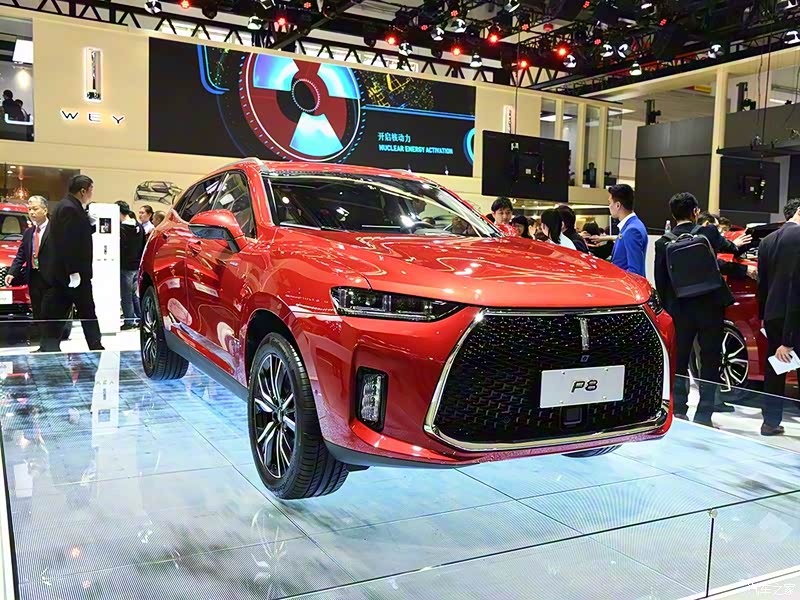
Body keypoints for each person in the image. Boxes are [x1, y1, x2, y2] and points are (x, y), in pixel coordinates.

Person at [654, 192, 754, 427]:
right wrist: (736, 245)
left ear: (673, 214)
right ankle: (704, 414)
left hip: (680, 310)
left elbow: (662, 281)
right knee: (710, 360)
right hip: (710, 308)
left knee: (679, 360)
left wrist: (670, 310)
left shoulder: (663, 243)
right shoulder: (708, 233)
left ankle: (679, 409)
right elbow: (729, 251)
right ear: (696, 212)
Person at [40, 175, 104, 352]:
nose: (91, 193)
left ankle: (50, 345)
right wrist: (73, 271)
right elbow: (69, 243)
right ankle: (95, 345)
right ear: (83, 190)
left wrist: (90, 225)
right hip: (73, 273)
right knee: (86, 310)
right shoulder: (70, 208)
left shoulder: (68, 206)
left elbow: (77, 234)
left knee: (61, 310)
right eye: (91, 189)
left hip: (66, 272)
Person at [756, 198, 800, 436]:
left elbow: (762, 284)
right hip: (796, 314)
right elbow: (796, 287)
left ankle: (770, 422)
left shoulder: (767, 241)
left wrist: (763, 316)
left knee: (775, 369)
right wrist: (789, 337)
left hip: (773, 314)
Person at [5, 196, 50, 342]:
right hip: (33, 277)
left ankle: (51, 343)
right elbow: (21, 255)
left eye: (35, 209)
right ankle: (41, 343)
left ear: (45, 210)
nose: (32, 212)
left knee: (49, 311)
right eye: (30, 209)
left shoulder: (55, 230)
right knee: (37, 310)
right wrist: (12, 272)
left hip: (51, 278)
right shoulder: (28, 233)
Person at [607, 184, 647, 277]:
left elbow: (634, 272)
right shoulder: (633, 225)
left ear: (618, 205)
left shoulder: (632, 230)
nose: (609, 206)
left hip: (625, 283)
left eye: (610, 203)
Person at [117, 201, 145, 330]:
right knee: (134, 294)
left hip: (125, 266)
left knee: (126, 296)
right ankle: (140, 318)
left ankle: (129, 321)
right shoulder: (139, 226)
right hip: (137, 265)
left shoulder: (121, 229)